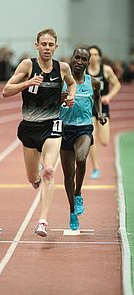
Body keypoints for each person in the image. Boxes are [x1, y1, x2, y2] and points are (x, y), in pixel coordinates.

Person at [2, 28, 76, 237]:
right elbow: (6, 91)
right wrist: (27, 82)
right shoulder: (28, 65)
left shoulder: (62, 67)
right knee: (33, 177)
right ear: (37, 45)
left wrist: (70, 96)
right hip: (30, 128)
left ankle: (42, 221)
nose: (47, 48)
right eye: (43, 44)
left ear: (56, 47)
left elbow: (71, 83)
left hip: (52, 125)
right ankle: (36, 177)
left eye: (50, 44)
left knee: (50, 171)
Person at [60, 48, 107, 230]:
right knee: (68, 175)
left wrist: (100, 114)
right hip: (64, 129)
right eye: (77, 57)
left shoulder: (93, 82)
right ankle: (72, 211)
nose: (79, 61)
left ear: (88, 62)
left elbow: (97, 98)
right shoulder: (63, 81)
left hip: (84, 128)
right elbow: (51, 100)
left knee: (81, 158)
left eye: (84, 59)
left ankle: (78, 193)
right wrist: (59, 98)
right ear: (72, 59)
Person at [86, 45, 121, 179]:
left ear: (99, 56)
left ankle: (96, 167)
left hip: (102, 107)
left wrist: (109, 96)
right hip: (88, 107)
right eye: (91, 55)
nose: (93, 57)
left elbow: (117, 84)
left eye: (96, 54)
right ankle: (96, 168)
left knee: (105, 141)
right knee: (91, 138)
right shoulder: (84, 71)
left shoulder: (106, 70)